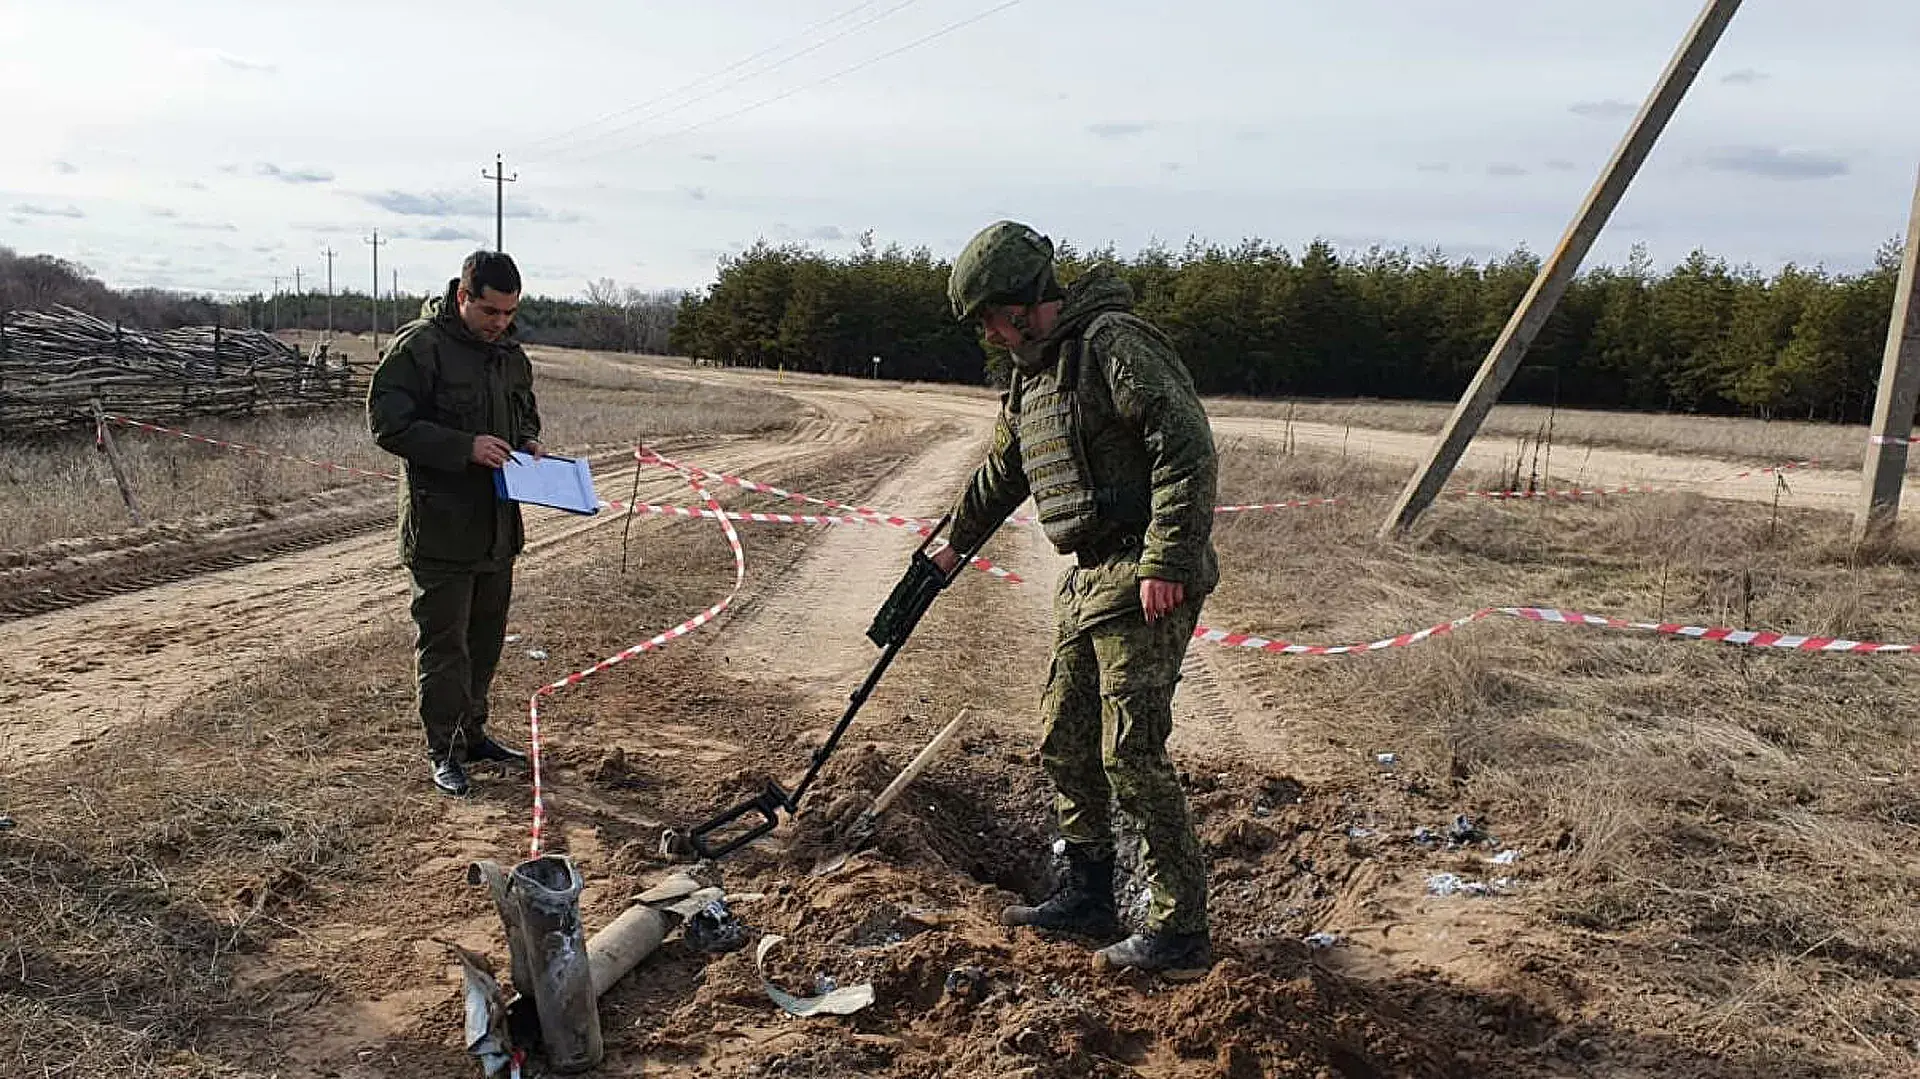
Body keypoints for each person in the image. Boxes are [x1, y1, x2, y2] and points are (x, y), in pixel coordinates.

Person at [928, 220, 1219, 979]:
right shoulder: (1033, 373)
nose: (990, 333)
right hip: (1088, 573)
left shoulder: (1115, 344)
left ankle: (1180, 928)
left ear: (1027, 299)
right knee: (1065, 732)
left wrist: (1169, 557)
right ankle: (1087, 891)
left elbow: (1184, 445)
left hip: (1142, 571)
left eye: (994, 315)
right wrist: (955, 541)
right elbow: (1005, 467)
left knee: (1130, 748)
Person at [367, 251, 543, 796]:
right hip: (441, 528)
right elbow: (387, 424)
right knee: (445, 647)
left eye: (510, 313)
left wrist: (529, 439)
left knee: (485, 641)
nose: (501, 324)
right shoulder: (419, 347)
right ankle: (442, 750)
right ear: (463, 298)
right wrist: (464, 447)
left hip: (495, 528)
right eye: (491, 312)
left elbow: (525, 409)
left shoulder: (509, 354)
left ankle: (474, 735)